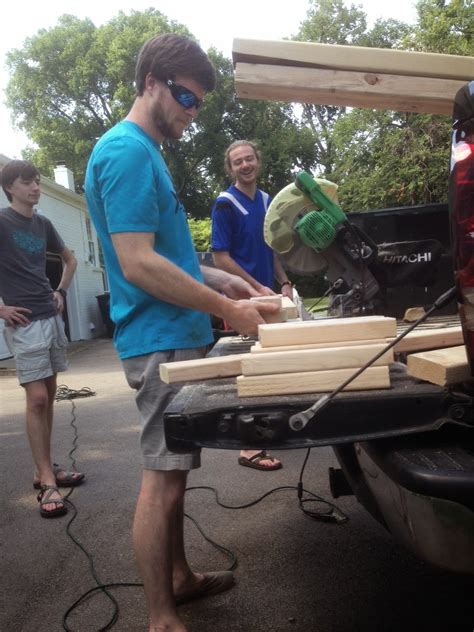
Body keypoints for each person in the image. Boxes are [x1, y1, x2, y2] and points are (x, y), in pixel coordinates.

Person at [84, 33, 278, 632]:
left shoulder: (147, 153)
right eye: (187, 99)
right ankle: (161, 616)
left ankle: (180, 577)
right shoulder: (125, 152)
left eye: (198, 103)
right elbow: (138, 262)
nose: (192, 115)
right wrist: (232, 315)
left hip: (175, 332)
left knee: (176, 476)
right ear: (151, 83)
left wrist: (229, 284)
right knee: (162, 482)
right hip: (159, 339)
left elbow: (175, 257)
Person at [0, 160, 81, 519]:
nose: (35, 187)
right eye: (27, 182)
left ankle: (43, 468)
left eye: (37, 181)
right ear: (9, 188)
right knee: (35, 399)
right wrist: (0, 310)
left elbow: (70, 260)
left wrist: (61, 291)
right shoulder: (2, 222)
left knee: (47, 397)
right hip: (24, 323)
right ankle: (48, 480)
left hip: (50, 318)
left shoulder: (43, 224)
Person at [211, 139, 293, 472]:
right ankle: (248, 446)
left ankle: (266, 431)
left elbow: (271, 249)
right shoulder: (225, 204)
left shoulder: (267, 200)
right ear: (230, 169)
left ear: (258, 161)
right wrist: (254, 286)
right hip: (242, 298)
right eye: (237, 162)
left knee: (272, 360)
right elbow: (220, 257)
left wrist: (284, 282)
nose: (245, 165)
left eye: (249, 159)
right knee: (248, 367)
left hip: (268, 294)